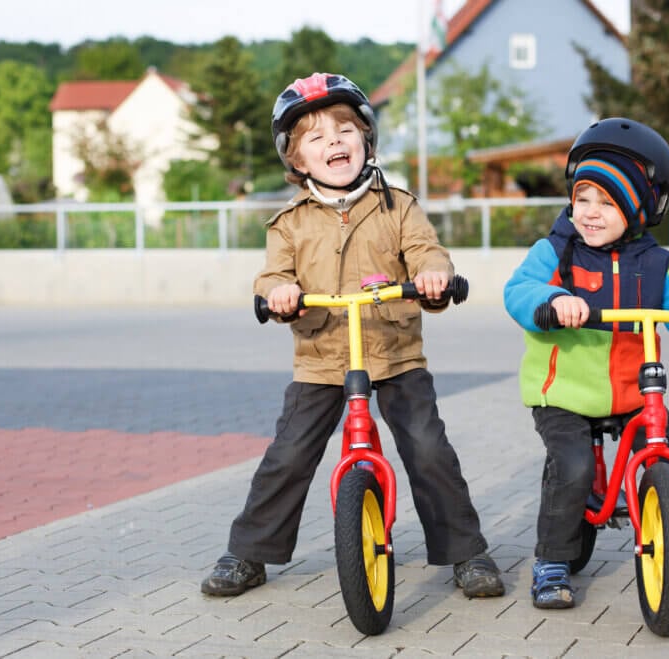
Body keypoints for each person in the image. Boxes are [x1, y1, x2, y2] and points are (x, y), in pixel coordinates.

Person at [201, 73, 504, 600]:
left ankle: (465, 552)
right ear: (297, 161)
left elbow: (426, 252)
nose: (333, 142)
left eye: (344, 130)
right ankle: (249, 552)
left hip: (395, 354)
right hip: (321, 358)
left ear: (367, 139)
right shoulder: (289, 224)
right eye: (315, 138)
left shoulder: (398, 205)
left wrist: (433, 276)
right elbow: (273, 275)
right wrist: (278, 293)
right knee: (290, 453)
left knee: (429, 448)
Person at [503, 117, 669, 609]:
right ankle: (551, 560)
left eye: (606, 202)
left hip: (636, 392)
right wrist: (552, 301)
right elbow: (518, 292)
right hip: (564, 393)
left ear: (637, 209)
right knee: (569, 467)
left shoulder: (658, 265)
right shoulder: (556, 251)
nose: (590, 212)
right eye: (583, 197)